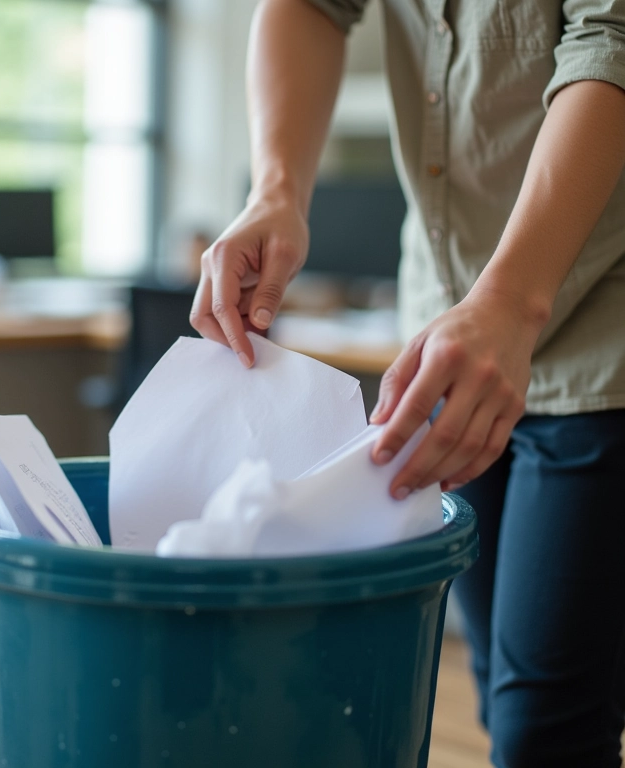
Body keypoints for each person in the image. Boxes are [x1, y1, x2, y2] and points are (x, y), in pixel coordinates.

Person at [189, 1, 625, 766]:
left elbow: (613, 38)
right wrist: (277, 190)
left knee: (547, 727)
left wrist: (513, 303)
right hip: (445, 329)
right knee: (499, 688)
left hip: (602, 331)